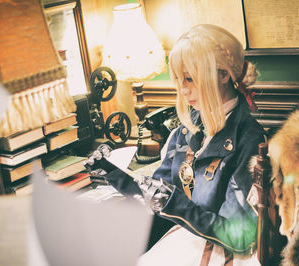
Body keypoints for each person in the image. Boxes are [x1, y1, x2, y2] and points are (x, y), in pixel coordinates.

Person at [94, 24, 265, 265]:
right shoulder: (185, 131)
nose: (183, 89)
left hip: (222, 254)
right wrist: (112, 172)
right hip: (181, 241)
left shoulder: (250, 140)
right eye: (178, 79)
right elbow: (155, 193)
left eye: (190, 79)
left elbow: (238, 236)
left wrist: (173, 204)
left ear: (223, 75)